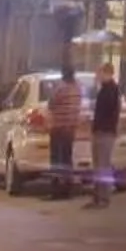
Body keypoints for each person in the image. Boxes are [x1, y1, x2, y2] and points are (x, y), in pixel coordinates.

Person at [45, 68, 82, 200]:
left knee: (56, 160)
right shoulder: (78, 89)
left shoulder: (60, 88)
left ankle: (56, 191)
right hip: (70, 129)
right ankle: (67, 189)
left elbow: (51, 104)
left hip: (58, 128)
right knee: (67, 159)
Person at [89, 63, 122, 205]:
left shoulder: (111, 90)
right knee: (98, 165)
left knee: (103, 165)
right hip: (99, 131)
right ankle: (97, 196)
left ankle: (104, 197)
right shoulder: (103, 89)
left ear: (107, 73)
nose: (98, 76)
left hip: (105, 132)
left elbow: (108, 111)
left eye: (100, 73)